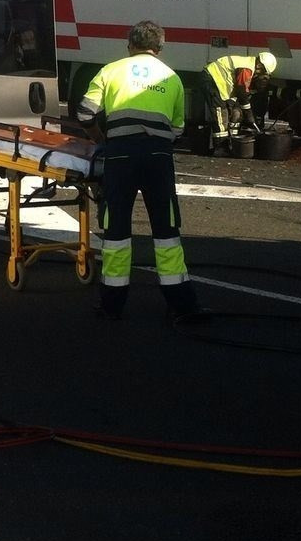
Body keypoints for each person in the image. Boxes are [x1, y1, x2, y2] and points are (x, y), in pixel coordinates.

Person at [75, 20, 206, 325]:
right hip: (158, 158)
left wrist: (101, 139)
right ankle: (182, 305)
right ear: (159, 49)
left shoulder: (110, 71)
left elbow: (84, 113)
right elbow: (176, 129)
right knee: (166, 231)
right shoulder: (172, 78)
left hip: (120, 156)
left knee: (117, 231)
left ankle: (112, 305)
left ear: (129, 45)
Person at [202, 51, 277, 154]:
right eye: (263, 71)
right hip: (212, 80)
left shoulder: (249, 66)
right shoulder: (246, 68)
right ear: (260, 65)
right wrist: (249, 114)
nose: (262, 75)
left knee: (231, 113)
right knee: (220, 115)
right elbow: (241, 91)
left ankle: (230, 145)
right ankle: (220, 148)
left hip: (219, 83)